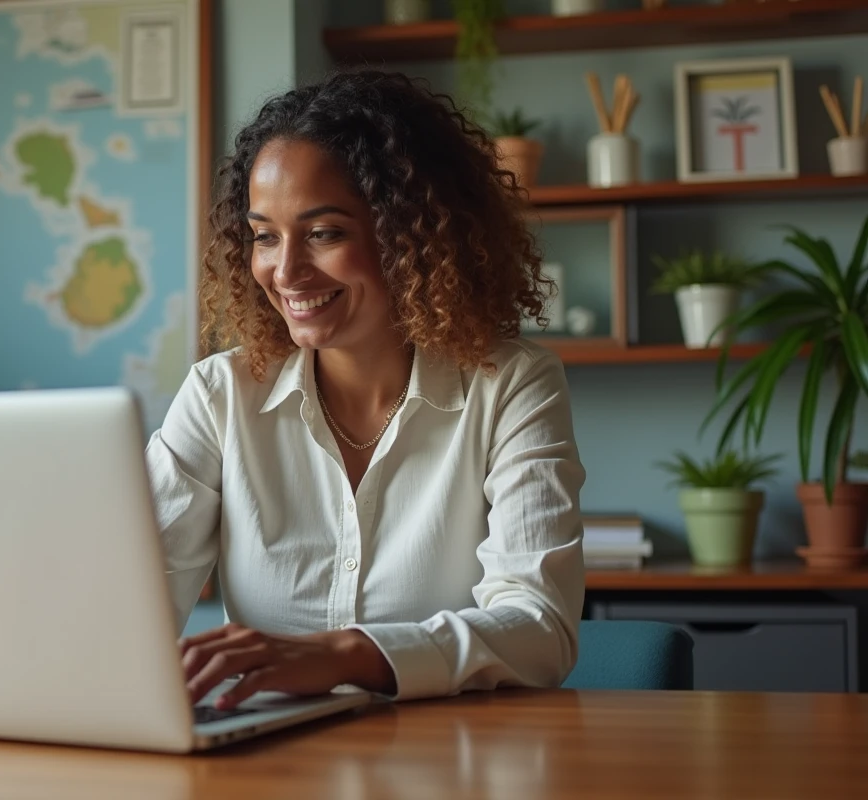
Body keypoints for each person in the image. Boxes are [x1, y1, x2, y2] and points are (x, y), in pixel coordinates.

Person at [145, 69, 586, 710]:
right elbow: (131, 603)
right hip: (267, 763)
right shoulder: (220, 394)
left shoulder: (512, 385)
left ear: (409, 237)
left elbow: (539, 628)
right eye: (265, 236)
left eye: (325, 233)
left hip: (450, 761)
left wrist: (344, 654)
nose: (286, 270)